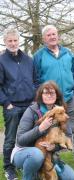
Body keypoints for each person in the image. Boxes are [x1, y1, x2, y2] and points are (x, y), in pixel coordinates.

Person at [33, 25, 74, 162]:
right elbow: (35, 79)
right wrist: (42, 96)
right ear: (44, 38)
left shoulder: (68, 53)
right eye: (48, 35)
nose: (52, 37)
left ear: (58, 36)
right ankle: (53, 156)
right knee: (51, 128)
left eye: (54, 34)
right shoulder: (38, 56)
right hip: (50, 99)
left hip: (69, 96)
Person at [11, 81, 74, 180]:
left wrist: (54, 147)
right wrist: (40, 128)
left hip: (49, 155)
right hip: (24, 152)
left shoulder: (60, 111)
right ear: (41, 95)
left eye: (52, 93)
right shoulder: (31, 111)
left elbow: (68, 136)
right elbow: (20, 140)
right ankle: (29, 175)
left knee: (70, 177)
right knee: (37, 155)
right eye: (46, 93)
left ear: (57, 95)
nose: (49, 95)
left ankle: (40, 171)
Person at [0, 27, 38, 180]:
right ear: (5, 42)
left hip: (29, 105)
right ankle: (9, 168)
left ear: (19, 41)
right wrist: (6, 103)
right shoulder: (1, 61)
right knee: (10, 138)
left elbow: (36, 81)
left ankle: (27, 165)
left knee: (30, 137)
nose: (13, 43)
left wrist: (35, 99)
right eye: (10, 40)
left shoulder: (28, 60)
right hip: (12, 107)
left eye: (15, 40)